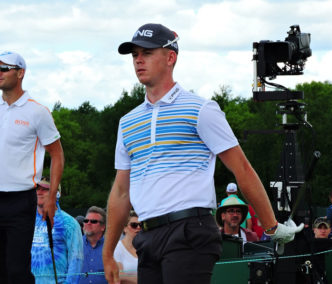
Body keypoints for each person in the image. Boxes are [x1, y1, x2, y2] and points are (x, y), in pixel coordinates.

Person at [102, 23, 303, 284]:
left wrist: (271, 226)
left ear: (170, 57)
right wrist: (108, 253)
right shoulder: (127, 122)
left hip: (189, 232)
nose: (139, 60)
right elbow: (120, 191)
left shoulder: (201, 109)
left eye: (147, 53)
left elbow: (242, 169)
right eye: (135, 55)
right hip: (148, 237)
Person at [0, 51, 64, 283]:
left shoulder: (37, 112)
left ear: (20, 73)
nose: (0, 73)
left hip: (20, 199)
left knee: (17, 270)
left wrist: (51, 197)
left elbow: (57, 155)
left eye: (5, 68)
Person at [31, 177, 83, 284]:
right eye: (37, 188)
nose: (39, 192)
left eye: (45, 189)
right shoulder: (26, 220)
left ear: (57, 194)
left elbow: (76, 259)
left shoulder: (69, 223)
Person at [79, 206, 107, 284]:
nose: (88, 223)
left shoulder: (111, 248)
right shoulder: (75, 244)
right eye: (86, 220)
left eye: (93, 221)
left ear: (103, 227)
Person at [114, 211, 141, 284]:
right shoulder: (117, 248)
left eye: (140, 225)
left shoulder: (145, 247)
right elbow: (118, 277)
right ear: (124, 228)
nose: (138, 227)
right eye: (134, 225)